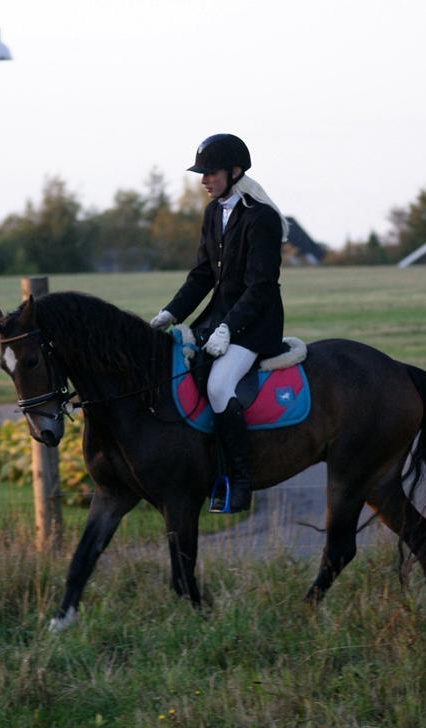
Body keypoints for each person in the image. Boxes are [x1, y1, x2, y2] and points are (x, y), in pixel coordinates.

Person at [149, 133, 289, 513]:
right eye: (202, 173)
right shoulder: (213, 213)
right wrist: (170, 313)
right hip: (217, 318)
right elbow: (201, 276)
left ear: (235, 171)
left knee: (218, 385)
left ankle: (239, 483)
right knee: (179, 375)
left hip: (255, 323)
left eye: (210, 173)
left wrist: (230, 328)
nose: (203, 180)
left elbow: (260, 285)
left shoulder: (262, 218)